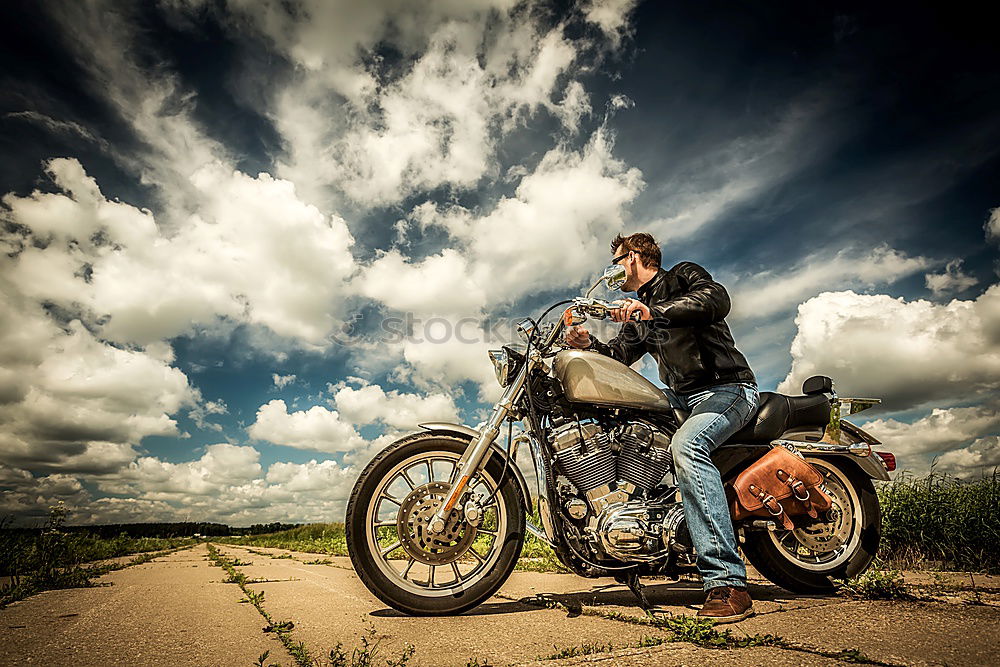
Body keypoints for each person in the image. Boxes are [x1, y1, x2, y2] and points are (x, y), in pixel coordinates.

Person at [564, 232, 759, 623]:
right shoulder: (641, 312)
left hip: (727, 389)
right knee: (622, 422)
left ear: (635, 256)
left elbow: (715, 300)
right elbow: (619, 355)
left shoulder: (682, 277)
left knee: (686, 447)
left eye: (618, 260)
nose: (614, 268)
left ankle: (728, 582)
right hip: (679, 397)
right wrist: (586, 343)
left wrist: (651, 311)